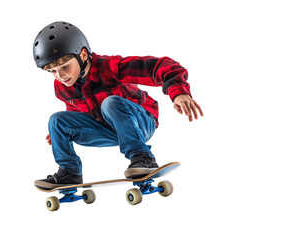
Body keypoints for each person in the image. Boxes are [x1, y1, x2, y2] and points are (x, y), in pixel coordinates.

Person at [33, 21, 203, 190]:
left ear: (83, 55)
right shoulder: (62, 87)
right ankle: (70, 173)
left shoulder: (111, 68)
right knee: (56, 121)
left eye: (64, 67)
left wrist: (179, 92)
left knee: (110, 103)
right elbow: (76, 110)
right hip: (106, 129)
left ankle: (143, 157)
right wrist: (60, 132)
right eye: (52, 71)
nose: (60, 76)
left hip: (140, 122)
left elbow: (160, 67)